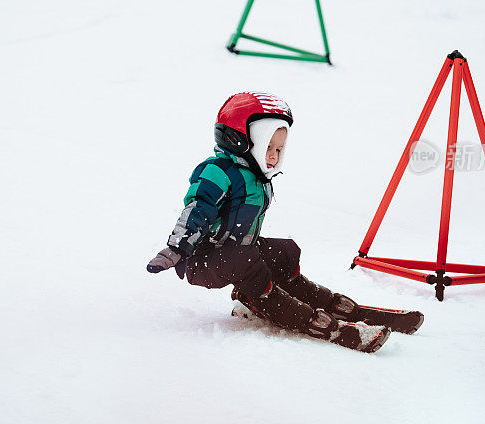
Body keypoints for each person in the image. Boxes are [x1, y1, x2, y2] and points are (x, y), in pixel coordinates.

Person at [146, 92, 394, 353]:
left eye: (279, 149)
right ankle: (271, 303)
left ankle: (323, 301)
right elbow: (199, 208)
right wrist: (177, 248)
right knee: (246, 262)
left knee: (284, 252)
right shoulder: (218, 171)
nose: (274, 156)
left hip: (237, 253)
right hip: (202, 259)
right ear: (240, 140)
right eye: (268, 147)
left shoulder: (257, 177)